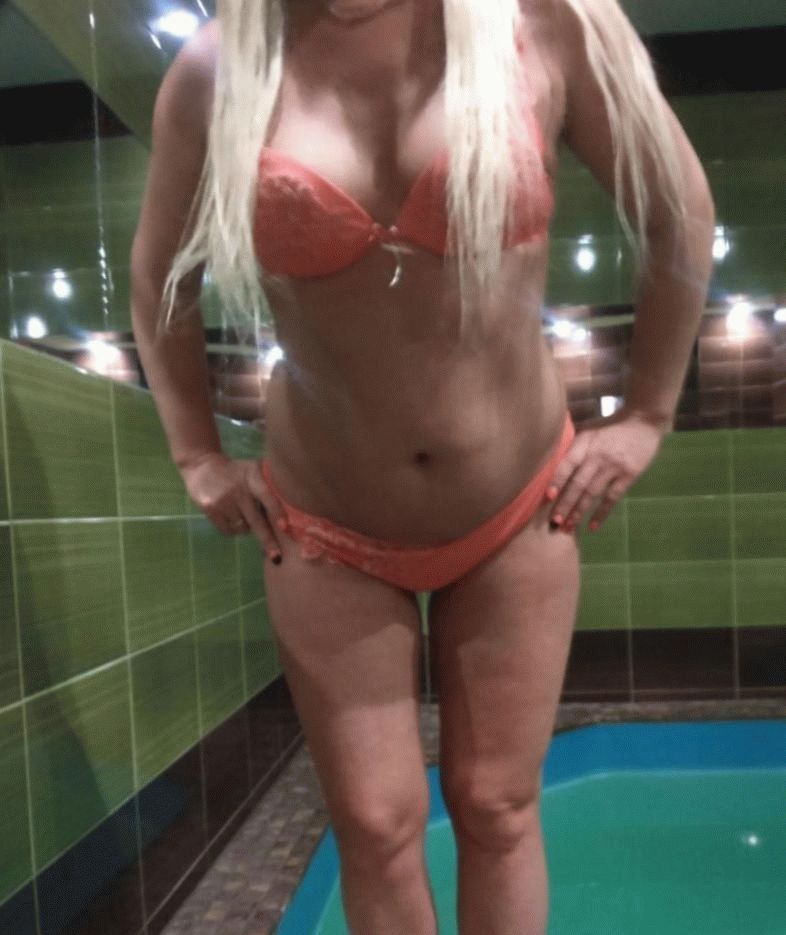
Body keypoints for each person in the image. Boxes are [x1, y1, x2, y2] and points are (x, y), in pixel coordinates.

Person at [130, 0, 715, 931]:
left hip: (517, 501)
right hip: (323, 516)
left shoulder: (547, 21)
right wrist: (196, 453)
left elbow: (676, 213)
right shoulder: (218, 68)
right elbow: (159, 278)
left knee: (498, 803)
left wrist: (648, 413)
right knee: (374, 824)